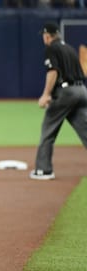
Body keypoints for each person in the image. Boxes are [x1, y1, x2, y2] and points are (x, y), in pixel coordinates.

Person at [31, 22, 87, 180]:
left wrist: (46, 94)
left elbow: (53, 71)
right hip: (81, 91)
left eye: (44, 35)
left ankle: (43, 170)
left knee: (48, 129)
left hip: (65, 93)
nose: (43, 37)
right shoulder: (69, 48)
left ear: (47, 35)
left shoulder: (51, 48)